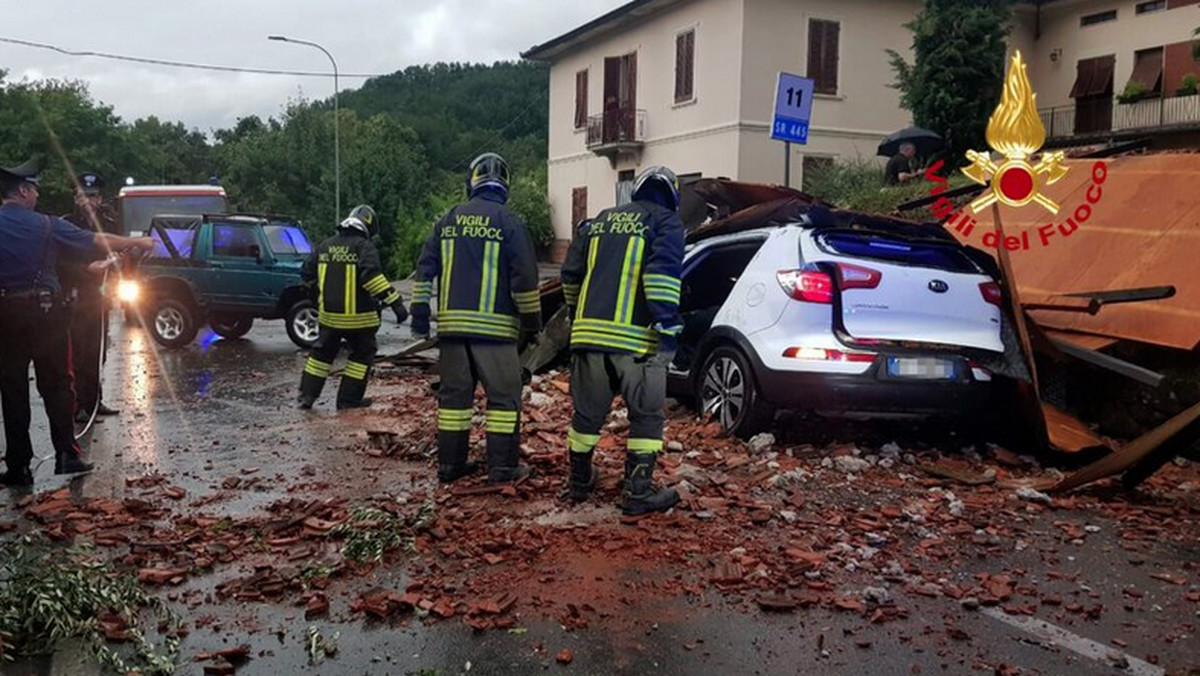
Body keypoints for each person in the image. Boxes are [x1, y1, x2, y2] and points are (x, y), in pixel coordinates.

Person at [0, 158, 154, 487]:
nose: (38, 197)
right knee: (57, 386)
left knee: (12, 390)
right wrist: (136, 243)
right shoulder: (49, 225)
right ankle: (66, 456)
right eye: (35, 190)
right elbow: (96, 242)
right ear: (24, 191)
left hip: (5, 316)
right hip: (47, 315)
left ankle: (18, 468)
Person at [560, 166, 685, 516]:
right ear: (672, 198)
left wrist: (576, 316)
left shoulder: (598, 221)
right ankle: (638, 491)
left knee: (586, 415)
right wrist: (668, 328)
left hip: (587, 337)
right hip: (636, 341)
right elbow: (661, 276)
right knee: (646, 415)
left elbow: (570, 275)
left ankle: (579, 482)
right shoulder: (666, 223)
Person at [411, 153, 542, 485]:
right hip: (495, 334)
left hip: (453, 332)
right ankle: (502, 469)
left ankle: (450, 466)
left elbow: (424, 271)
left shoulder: (448, 220)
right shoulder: (509, 222)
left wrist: (420, 315)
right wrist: (532, 321)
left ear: (471, 181)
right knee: (503, 400)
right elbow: (525, 279)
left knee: (455, 402)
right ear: (505, 185)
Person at [297, 205, 408, 410]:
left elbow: (306, 274)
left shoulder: (325, 245)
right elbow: (372, 278)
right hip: (360, 320)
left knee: (321, 355)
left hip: (329, 318)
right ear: (369, 227)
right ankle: (348, 400)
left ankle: (306, 396)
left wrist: (321, 296)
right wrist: (396, 303)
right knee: (362, 355)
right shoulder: (363, 247)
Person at [62, 172, 122, 423]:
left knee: (98, 351)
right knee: (78, 353)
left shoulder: (108, 222)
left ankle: (94, 401)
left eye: (93, 196)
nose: (88, 201)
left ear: (100, 199)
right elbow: (61, 263)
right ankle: (77, 406)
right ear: (76, 198)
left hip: (100, 297)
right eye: (83, 196)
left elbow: (119, 249)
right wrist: (87, 270)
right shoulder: (65, 224)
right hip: (75, 296)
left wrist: (118, 261)